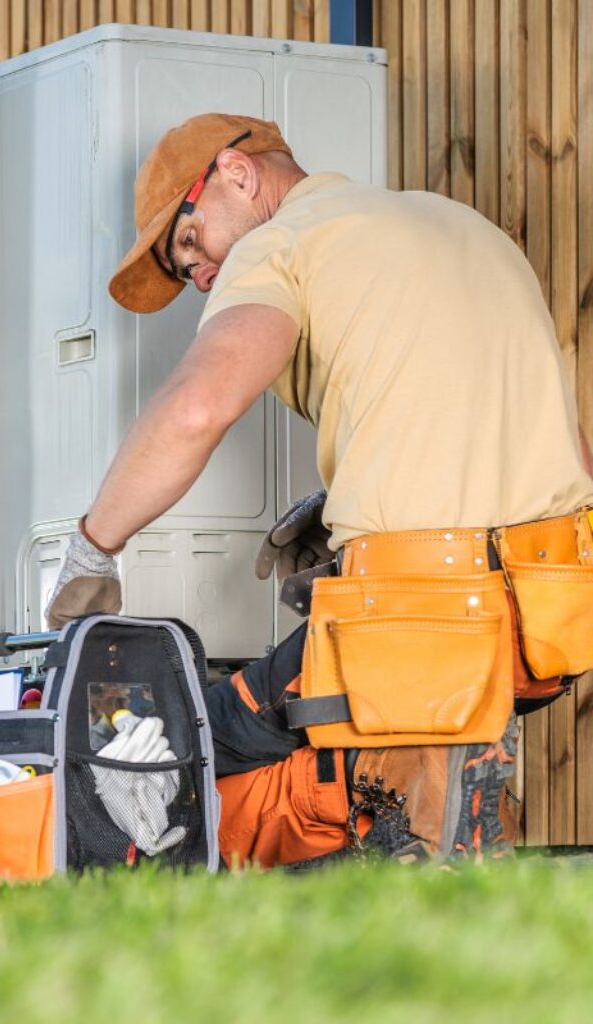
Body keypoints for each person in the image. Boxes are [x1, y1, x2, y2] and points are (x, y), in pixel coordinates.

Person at [44, 113, 593, 867]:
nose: (199, 277)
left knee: (188, 738)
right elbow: (567, 449)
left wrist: (92, 548)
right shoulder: (462, 224)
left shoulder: (283, 243)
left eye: (189, 244)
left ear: (237, 174)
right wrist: (350, 514)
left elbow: (197, 408)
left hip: (419, 619)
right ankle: (419, 826)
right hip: (546, 622)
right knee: (353, 736)